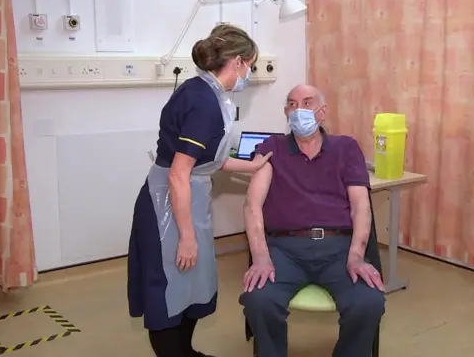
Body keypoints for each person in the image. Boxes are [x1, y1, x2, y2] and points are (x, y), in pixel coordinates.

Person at [127, 25, 272, 357]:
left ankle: (185, 350)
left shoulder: (207, 91)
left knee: (192, 284)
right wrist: (187, 235)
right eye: (250, 65)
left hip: (189, 196)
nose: (249, 73)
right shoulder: (204, 102)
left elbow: (206, 160)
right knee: (169, 291)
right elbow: (179, 174)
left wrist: (250, 166)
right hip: (169, 205)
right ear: (237, 62)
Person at [240, 84, 386, 357]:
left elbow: (361, 206)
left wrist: (356, 255)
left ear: (322, 112)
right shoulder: (272, 147)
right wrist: (260, 257)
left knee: (368, 301)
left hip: (338, 248)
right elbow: (252, 205)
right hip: (285, 250)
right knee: (259, 299)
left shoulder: (346, 147)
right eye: (292, 105)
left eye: (307, 103)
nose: (299, 110)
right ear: (285, 112)